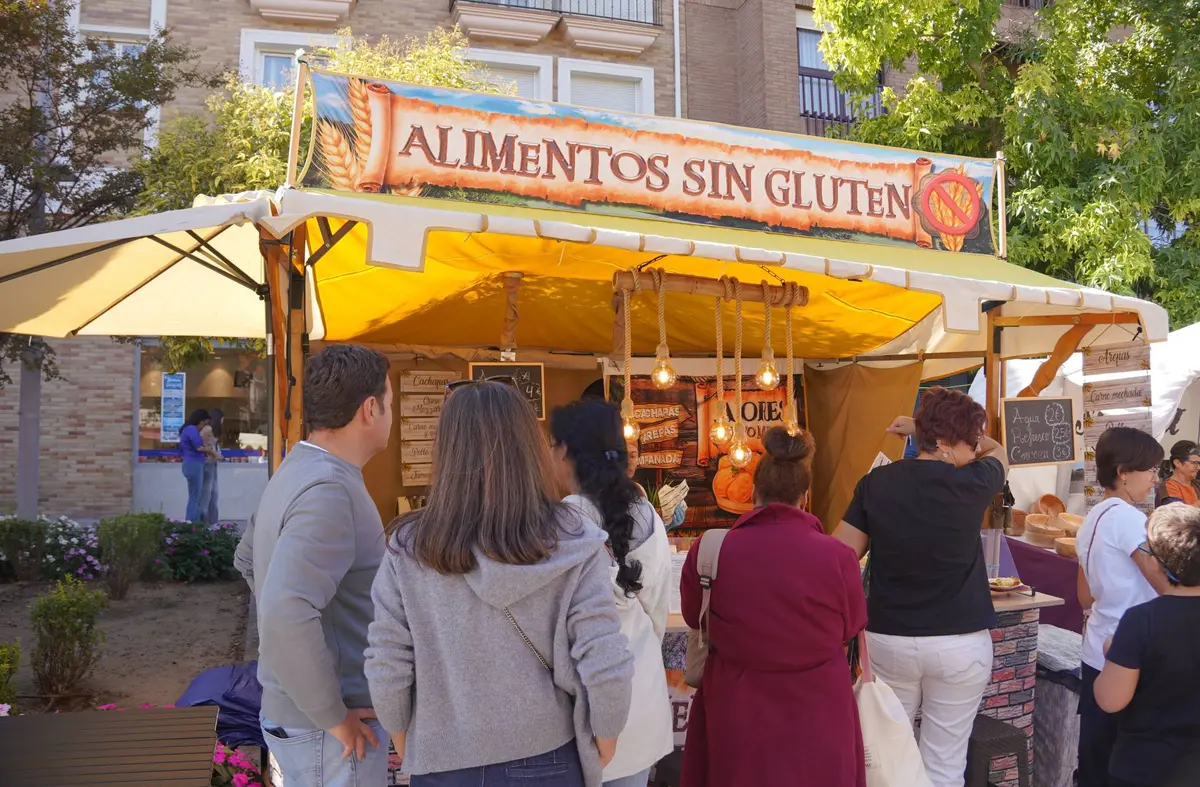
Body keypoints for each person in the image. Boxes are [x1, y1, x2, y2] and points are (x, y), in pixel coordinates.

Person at [365, 380, 634, 787]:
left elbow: (387, 662)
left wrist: (407, 741)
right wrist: (607, 734)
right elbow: (604, 654)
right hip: (548, 755)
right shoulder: (573, 537)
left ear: (446, 450)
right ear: (529, 446)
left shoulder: (408, 546)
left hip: (442, 761)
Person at [233, 345, 393, 787]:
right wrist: (332, 714)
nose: (391, 415)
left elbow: (248, 560)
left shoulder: (296, 468)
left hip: (306, 717)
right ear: (370, 408)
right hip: (329, 731)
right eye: (391, 403)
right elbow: (285, 610)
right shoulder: (329, 490)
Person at [833, 386, 1008, 787]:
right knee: (944, 764)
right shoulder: (975, 481)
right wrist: (923, 429)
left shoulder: (876, 482)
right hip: (960, 644)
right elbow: (999, 452)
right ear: (954, 441)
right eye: (971, 439)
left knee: (891, 756)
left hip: (889, 638)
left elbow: (841, 554)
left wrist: (925, 430)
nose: (974, 449)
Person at [683, 427, 867, 787]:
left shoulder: (710, 551)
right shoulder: (838, 558)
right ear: (805, 495)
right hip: (819, 707)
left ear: (754, 493)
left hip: (736, 705)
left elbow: (694, 617)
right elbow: (852, 626)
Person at [550, 400, 673, 787]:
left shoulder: (560, 524)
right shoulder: (647, 514)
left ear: (565, 451)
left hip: (578, 712)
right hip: (639, 698)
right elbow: (658, 614)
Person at [1076, 427, 1170, 787]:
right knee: (1123, 760)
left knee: (1096, 754)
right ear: (1123, 472)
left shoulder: (1092, 517)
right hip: (1127, 651)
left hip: (1097, 645)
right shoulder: (1128, 519)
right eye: (1149, 470)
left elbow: (1084, 596)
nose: (1153, 479)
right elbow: (1163, 585)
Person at [1094, 503, 1200, 787]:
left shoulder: (1142, 620)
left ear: (1156, 562)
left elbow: (1110, 699)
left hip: (1145, 767)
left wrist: (1111, 652)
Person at [179, 408, 210, 523]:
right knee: (195, 497)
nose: (203, 427)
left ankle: (194, 522)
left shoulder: (186, 430)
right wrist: (211, 450)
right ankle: (192, 524)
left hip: (189, 464)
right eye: (204, 423)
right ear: (200, 421)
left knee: (194, 495)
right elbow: (199, 447)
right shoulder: (191, 429)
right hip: (194, 465)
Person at [1157, 440, 1200, 507]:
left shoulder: (1197, 484)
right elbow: (1178, 515)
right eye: (1195, 463)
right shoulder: (1168, 486)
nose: (1198, 468)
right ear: (1178, 463)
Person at [199, 408, 223, 525]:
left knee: (214, 494)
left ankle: (213, 522)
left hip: (213, 464)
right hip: (207, 464)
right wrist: (213, 453)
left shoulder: (213, 430)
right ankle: (204, 522)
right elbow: (199, 444)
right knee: (207, 494)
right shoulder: (207, 429)